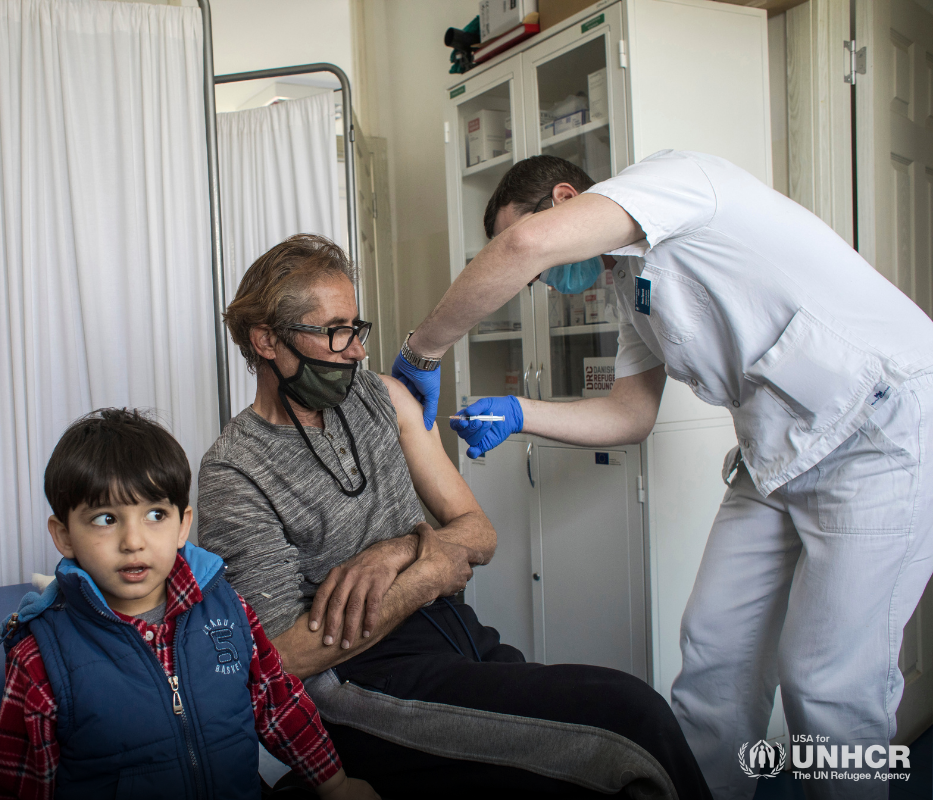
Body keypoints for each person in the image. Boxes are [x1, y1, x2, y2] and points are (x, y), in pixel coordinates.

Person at [391, 151, 933, 799]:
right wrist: (519, 411)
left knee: (828, 683)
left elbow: (526, 242)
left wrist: (422, 348)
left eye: (526, 249)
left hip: (881, 434)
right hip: (777, 452)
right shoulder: (634, 289)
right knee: (713, 658)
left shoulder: (679, 181)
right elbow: (629, 415)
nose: (538, 276)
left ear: (567, 198)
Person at [198, 233, 712, 799]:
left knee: (595, 751)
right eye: (335, 331)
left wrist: (397, 550)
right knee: (629, 720)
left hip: (454, 636)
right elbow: (283, 658)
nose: (358, 351)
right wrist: (425, 574)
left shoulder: (384, 399)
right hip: (358, 679)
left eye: (356, 328)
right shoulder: (234, 471)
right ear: (266, 340)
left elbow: (478, 532)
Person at [0, 408, 377, 800]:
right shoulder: (41, 657)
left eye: (155, 514)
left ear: (183, 525)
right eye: (105, 519)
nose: (133, 541)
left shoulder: (227, 608)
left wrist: (336, 784)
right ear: (64, 535)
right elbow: (15, 783)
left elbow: (278, 701)